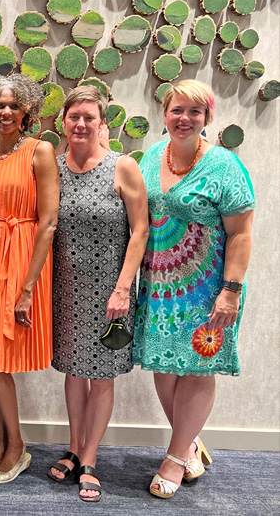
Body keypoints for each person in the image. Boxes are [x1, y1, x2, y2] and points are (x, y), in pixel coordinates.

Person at [133, 80, 255, 498]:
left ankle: (173, 456)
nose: (184, 119)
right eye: (177, 110)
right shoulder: (150, 157)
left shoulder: (224, 165)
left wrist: (231, 291)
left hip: (208, 289)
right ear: (164, 114)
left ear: (207, 118)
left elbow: (241, 233)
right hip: (159, 284)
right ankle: (190, 442)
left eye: (195, 112)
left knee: (197, 368)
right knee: (164, 367)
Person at [47, 86, 149, 502]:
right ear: (64, 121)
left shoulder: (122, 167)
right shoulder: (53, 167)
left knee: (102, 376)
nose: (81, 123)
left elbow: (141, 230)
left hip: (111, 289)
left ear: (102, 123)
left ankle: (90, 458)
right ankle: (73, 447)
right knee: (73, 371)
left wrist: (123, 288)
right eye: (74, 116)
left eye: (89, 117)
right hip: (68, 288)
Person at [0, 74, 60, 484]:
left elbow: (49, 222)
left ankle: (17, 447)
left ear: (26, 111)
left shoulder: (41, 151)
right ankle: (2, 445)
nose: (5, 112)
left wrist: (27, 288)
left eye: (13, 105)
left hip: (21, 261)